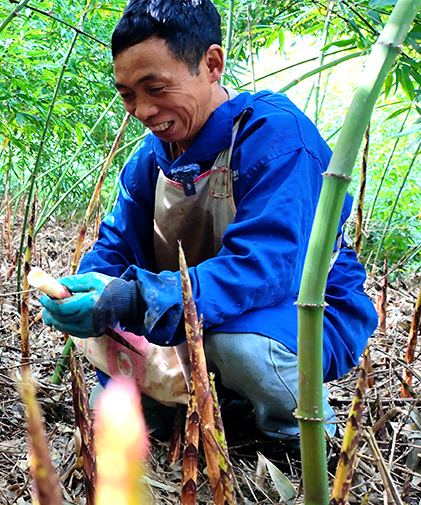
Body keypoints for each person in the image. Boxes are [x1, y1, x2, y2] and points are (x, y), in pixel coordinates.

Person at [39, 0, 377, 442]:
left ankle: (297, 435)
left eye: (155, 87)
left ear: (211, 64)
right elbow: (114, 246)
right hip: (188, 308)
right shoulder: (147, 163)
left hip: (290, 312)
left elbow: (265, 269)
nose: (141, 110)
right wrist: (85, 291)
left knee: (240, 348)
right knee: (112, 384)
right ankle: (185, 403)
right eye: (127, 94)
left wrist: (136, 299)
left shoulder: (278, 140)